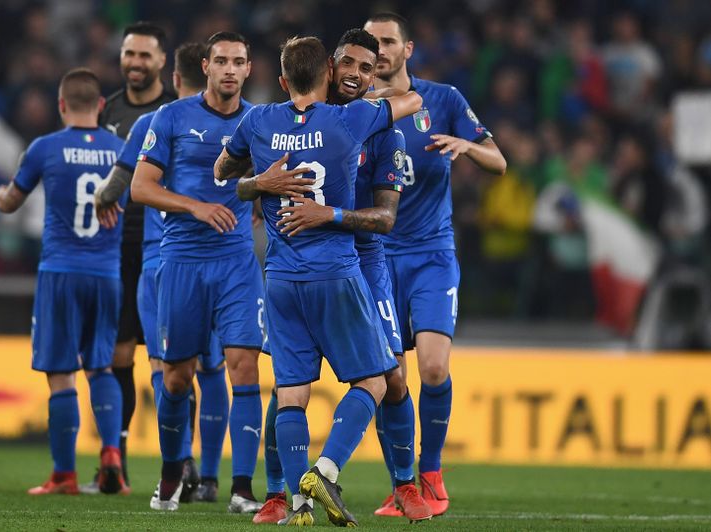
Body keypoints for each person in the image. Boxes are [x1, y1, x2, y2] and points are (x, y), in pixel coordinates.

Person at [214, 36, 422, 526]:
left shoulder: (269, 121)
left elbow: (385, 219)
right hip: (335, 268)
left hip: (341, 264)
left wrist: (282, 193)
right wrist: (260, 184)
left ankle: (396, 486)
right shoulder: (351, 120)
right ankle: (293, 487)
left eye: (366, 68)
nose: (355, 73)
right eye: (347, 63)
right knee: (351, 380)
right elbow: (412, 98)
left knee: (373, 379)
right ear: (330, 68)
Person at [363, 12, 507, 517]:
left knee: (433, 366)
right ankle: (401, 485)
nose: (379, 50)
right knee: (390, 381)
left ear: (408, 49)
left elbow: (499, 161)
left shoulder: (443, 99)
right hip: (376, 257)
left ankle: (431, 471)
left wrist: (468, 145)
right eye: (371, 43)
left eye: (388, 41)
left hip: (431, 254)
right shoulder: (354, 108)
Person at [130, 31, 264, 513]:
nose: (230, 69)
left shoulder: (260, 121)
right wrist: (196, 207)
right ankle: (172, 473)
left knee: (244, 365)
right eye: (221, 61)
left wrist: (262, 195)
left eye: (238, 62)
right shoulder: (170, 117)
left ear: (249, 69)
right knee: (176, 378)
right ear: (205, 66)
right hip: (182, 262)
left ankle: (242, 489)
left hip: (236, 263)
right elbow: (141, 188)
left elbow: (271, 179)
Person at [95, 42, 231, 504]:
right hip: (224, 258)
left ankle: (180, 459)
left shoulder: (156, 121)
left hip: (164, 260)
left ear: (175, 78)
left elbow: (117, 187)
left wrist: (102, 200)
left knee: (166, 367)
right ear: (209, 72)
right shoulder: (240, 122)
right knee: (213, 367)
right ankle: (210, 478)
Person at [0, 68, 126, 496]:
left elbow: (11, 203)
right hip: (106, 272)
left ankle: (64, 474)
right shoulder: (120, 150)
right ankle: (111, 454)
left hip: (61, 271)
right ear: (101, 106)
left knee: (61, 373)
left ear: (61, 105)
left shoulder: (45, 147)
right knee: (101, 366)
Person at [97, 22, 178, 487]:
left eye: (145, 55)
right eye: (130, 53)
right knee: (119, 354)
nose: (135, 62)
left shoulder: (177, 110)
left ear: (162, 61)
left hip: (167, 245)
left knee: (174, 360)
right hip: (117, 246)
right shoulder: (107, 111)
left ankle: (182, 464)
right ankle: (116, 458)